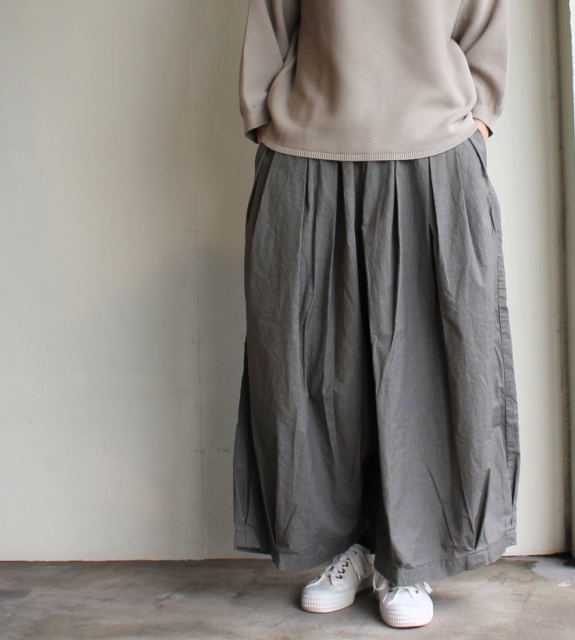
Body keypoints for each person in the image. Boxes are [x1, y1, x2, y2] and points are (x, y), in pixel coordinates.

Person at [232, 0, 520, 629]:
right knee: (311, 372)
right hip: (307, 153)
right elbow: (272, 17)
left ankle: (406, 559)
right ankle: (344, 548)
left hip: (432, 152)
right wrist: (263, 117)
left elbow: (486, 19)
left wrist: (480, 120)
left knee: (428, 372)